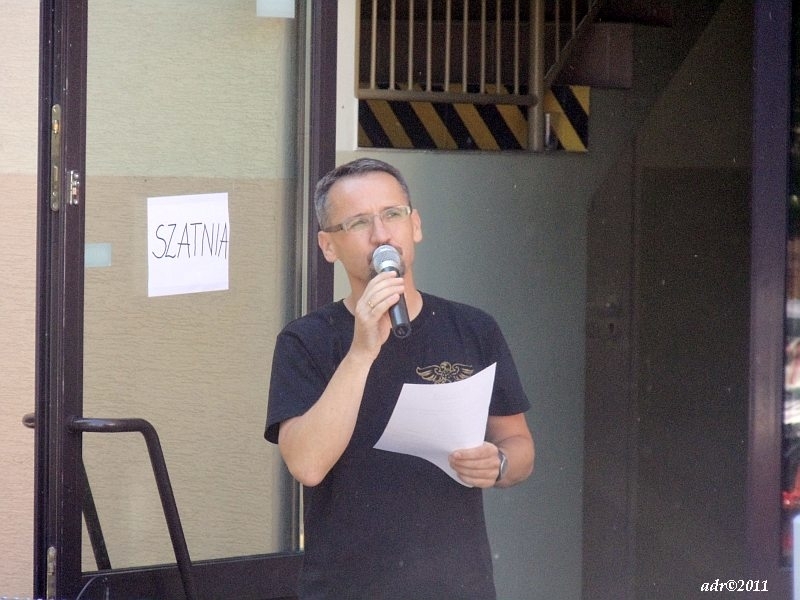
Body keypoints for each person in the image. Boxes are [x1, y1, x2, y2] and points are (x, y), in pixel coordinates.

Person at [265, 157, 534, 599]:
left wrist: (499, 463)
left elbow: (520, 445)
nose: (381, 234)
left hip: (459, 586)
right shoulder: (306, 340)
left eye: (392, 214)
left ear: (416, 225)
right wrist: (362, 351)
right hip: (349, 588)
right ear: (328, 246)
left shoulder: (473, 328)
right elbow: (307, 466)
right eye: (358, 222)